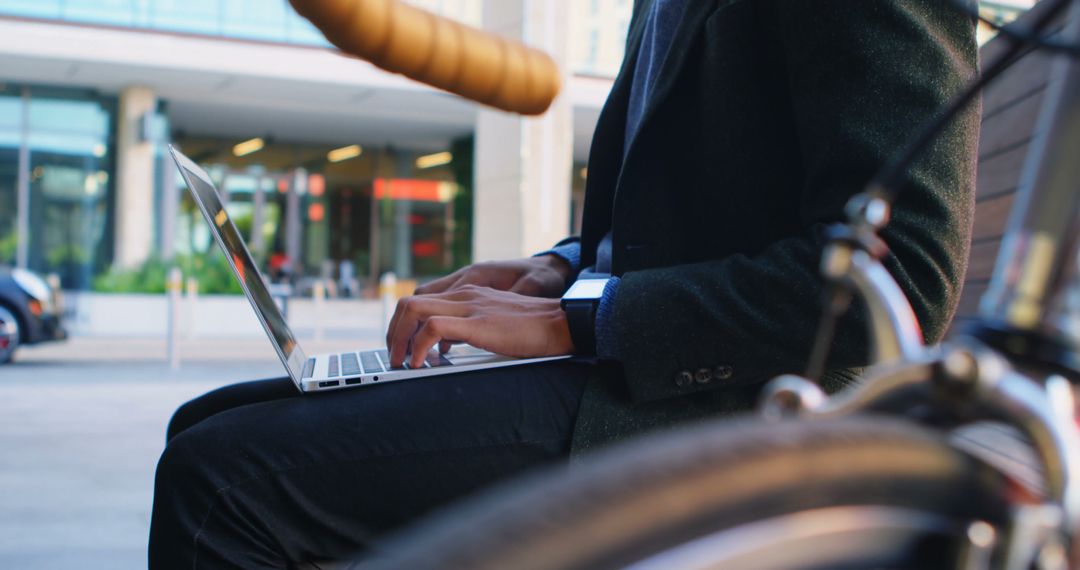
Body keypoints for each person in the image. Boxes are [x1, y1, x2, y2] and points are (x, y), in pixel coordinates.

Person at [148, 0, 980, 566]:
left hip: (730, 407)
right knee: (203, 423)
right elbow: (667, 221)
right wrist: (561, 267)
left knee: (220, 483)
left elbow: (902, 273)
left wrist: (578, 321)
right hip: (621, 373)